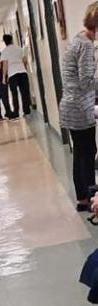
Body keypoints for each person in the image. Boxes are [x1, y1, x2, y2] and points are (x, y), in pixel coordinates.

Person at [59, 2, 98, 211]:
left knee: (80, 153)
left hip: (70, 105)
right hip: (80, 107)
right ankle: (93, 199)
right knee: (88, 152)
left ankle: (83, 198)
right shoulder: (86, 44)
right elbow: (86, 81)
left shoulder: (76, 40)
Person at [1, 34, 31, 119]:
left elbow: (5, 65)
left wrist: (4, 77)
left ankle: (16, 112)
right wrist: (24, 68)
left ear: (5, 41)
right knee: (24, 92)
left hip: (12, 73)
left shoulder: (4, 51)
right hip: (22, 71)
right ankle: (26, 110)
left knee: (14, 94)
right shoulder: (19, 48)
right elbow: (24, 60)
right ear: (11, 40)